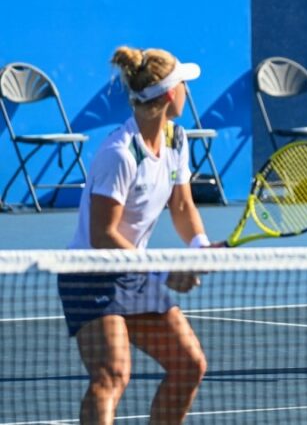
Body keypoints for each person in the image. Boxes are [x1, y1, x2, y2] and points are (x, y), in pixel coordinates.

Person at [57, 46, 211, 424]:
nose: (188, 93)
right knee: (112, 374)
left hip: (135, 271)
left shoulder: (177, 140)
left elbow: (181, 206)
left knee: (190, 365)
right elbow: (103, 235)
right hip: (90, 273)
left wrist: (200, 247)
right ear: (170, 94)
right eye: (184, 86)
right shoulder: (119, 154)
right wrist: (161, 272)